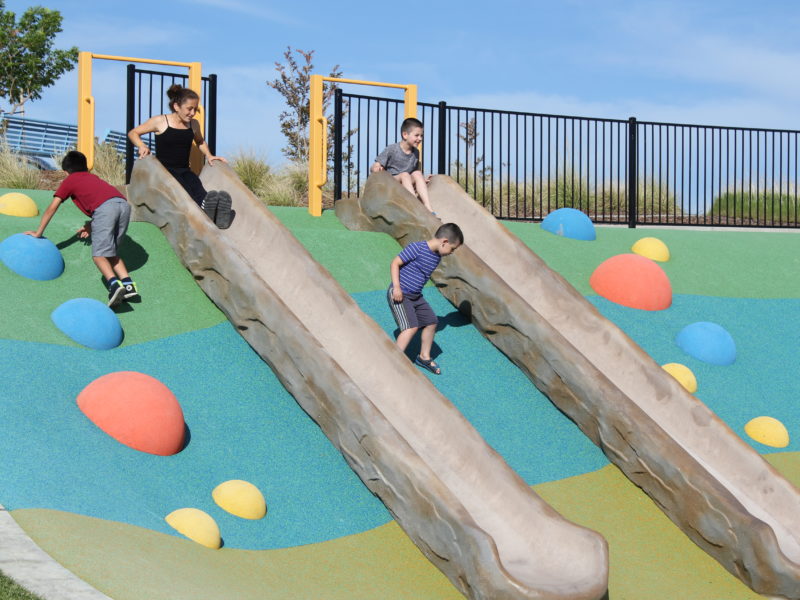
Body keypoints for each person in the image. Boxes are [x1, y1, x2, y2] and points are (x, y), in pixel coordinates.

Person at [25, 150, 139, 308]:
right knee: (111, 253)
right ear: (86, 167)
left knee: (99, 255)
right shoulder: (93, 178)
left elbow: (53, 207)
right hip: (124, 205)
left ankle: (114, 285)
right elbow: (105, 201)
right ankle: (128, 285)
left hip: (106, 209)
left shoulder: (70, 180)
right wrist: (91, 225)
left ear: (66, 172)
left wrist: (38, 233)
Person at [128, 84, 234, 229]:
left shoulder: (193, 124)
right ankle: (207, 209)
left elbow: (200, 141)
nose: (192, 113)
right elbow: (133, 133)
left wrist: (209, 155)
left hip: (184, 170)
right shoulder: (160, 121)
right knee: (184, 188)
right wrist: (142, 145)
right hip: (164, 172)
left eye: (195, 109)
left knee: (196, 184)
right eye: (189, 109)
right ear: (176, 106)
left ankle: (214, 211)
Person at [387, 222, 463, 374]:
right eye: (452, 249)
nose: (451, 252)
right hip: (400, 293)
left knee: (432, 321)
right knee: (411, 326)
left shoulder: (436, 256)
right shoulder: (418, 248)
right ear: (444, 242)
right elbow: (395, 263)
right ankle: (392, 362)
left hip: (415, 296)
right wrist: (396, 287)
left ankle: (424, 357)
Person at [371, 117, 434, 213]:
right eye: (416, 135)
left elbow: (414, 173)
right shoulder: (392, 149)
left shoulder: (416, 152)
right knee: (404, 174)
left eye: (421, 136)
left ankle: (428, 207)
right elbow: (375, 166)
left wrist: (422, 179)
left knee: (417, 173)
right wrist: (376, 168)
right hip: (391, 182)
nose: (420, 139)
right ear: (405, 135)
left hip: (406, 182)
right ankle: (415, 205)